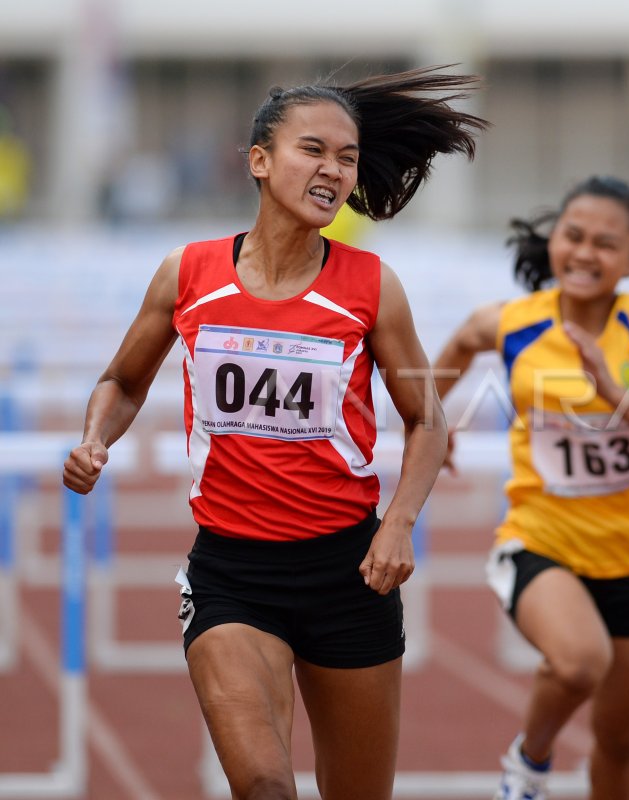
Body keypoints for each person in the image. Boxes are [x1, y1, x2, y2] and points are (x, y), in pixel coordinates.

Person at [62, 67, 487, 800]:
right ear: (259, 159)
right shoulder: (188, 272)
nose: (332, 169)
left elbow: (426, 417)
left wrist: (399, 525)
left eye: (347, 157)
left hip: (349, 573)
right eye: (312, 150)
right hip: (233, 577)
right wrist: (97, 435)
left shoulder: (370, 286)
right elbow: (122, 381)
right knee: (264, 786)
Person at [434, 176, 629, 800]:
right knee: (580, 662)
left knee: (621, 741)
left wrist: (616, 393)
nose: (585, 253)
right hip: (541, 540)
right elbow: (456, 348)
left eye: (606, 244)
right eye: (574, 236)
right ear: (554, 240)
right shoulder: (512, 324)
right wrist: (433, 415)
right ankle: (529, 763)